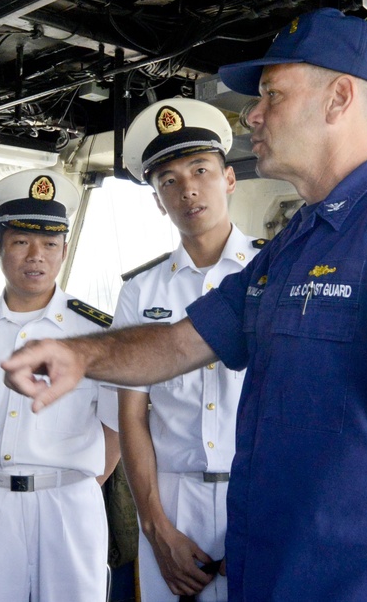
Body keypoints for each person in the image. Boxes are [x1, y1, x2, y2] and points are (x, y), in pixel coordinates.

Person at [1, 7, 367, 600]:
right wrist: (79, 356)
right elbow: (180, 343)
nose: (253, 115)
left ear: (338, 99)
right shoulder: (291, 248)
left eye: (272, 95)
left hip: (358, 577)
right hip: (271, 566)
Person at [0, 169, 119, 601]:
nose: (35, 256)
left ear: (63, 251)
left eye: (49, 244)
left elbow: (117, 427)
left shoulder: (96, 333)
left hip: (68, 505)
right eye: (21, 242)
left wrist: (76, 486)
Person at [115, 98, 261, 601]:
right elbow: (132, 416)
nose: (187, 189)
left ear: (229, 179)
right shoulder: (141, 292)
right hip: (174, 501)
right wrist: (156, 529)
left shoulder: (275, 272)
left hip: (262, 494)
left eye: (200, 169)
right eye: (168, 181)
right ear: (158, 200)